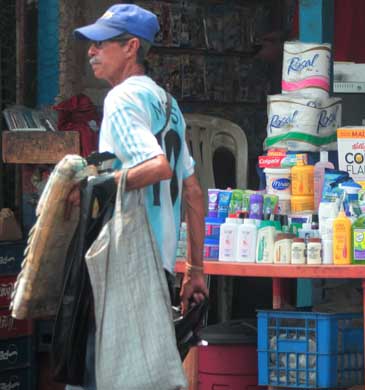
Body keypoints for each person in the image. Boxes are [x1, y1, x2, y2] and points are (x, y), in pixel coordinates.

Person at [67, 4, 208, 389]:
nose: (91, 52)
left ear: (131, 47)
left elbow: (158, 166)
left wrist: (97, 185)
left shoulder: (121, 99)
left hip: (128, 265)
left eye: (100, 43)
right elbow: (194, 192)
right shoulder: (168, 104)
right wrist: (196, 270)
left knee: (107, 377)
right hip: (159, 265)